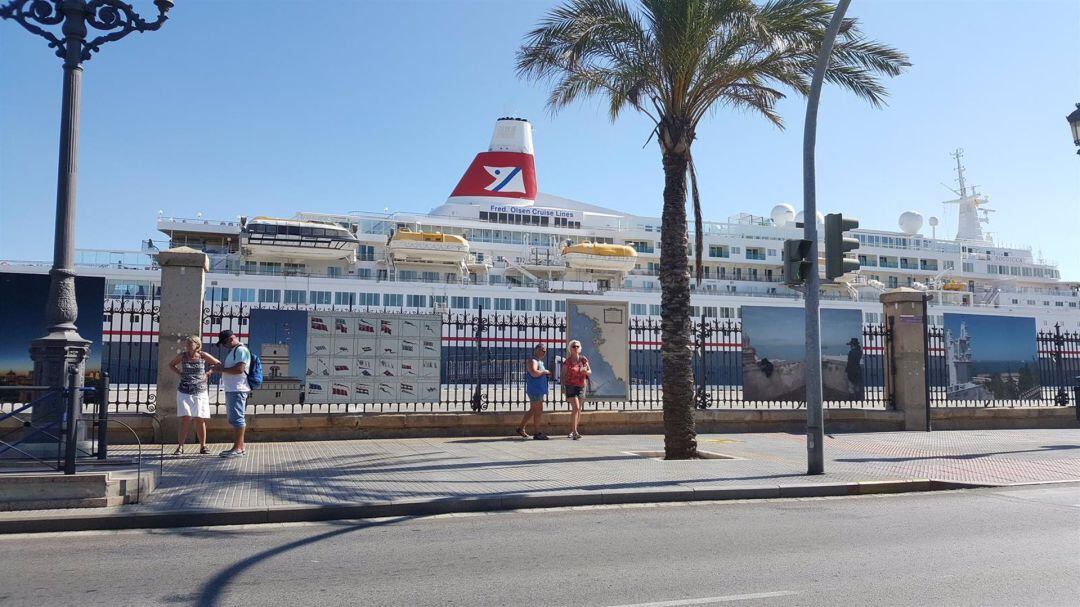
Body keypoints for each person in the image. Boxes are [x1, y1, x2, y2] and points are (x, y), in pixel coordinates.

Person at [168, 336, 219, 455]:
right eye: (187, 343)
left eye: (190, 343)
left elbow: (217, 364)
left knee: (199, 418)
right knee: (185, 418)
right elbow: (171, 365)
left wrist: (208, 374)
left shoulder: (203, 355)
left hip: (200, 390)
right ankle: (180, 446)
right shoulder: (182, 356)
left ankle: (203, 446)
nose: (188, 345)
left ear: (197, 344)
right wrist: (180, 373)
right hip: (184, 390)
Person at [216, 329, 251, 458]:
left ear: (230, 339)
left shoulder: (240, 350)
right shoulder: (234, 351)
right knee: (235, 418)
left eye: (224, 343)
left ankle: (237, 448)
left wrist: (222, 369)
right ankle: (240, 448)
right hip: (233, 389)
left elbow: (239, 369)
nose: (224, 346)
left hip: (237, 389)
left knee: (237, 419)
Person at [517, 344, 551, 440]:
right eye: (541, 350)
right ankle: (537, 433)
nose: (543, 352)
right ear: (536, 350)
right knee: (538, 411)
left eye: (544, 351)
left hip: (538, 389)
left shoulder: (539, 361)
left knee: (533, 410)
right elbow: (533, 372)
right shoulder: (533, 360)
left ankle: (520, 428)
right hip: (535, 389)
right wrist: (544, 372)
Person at [562, 340, 590, 440]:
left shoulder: (583, 360)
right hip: (570, 386)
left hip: (581, 386)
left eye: (577, 346)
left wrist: (585, 371)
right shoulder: (567, 361)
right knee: (576, 407)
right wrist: (563, 388)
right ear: (570, 348)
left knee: (579, 409)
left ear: (580, 348)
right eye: (573, 346)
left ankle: (573, 430)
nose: (576, 348)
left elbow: (590, 372)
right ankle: (574, 432)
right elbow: (563, 375)